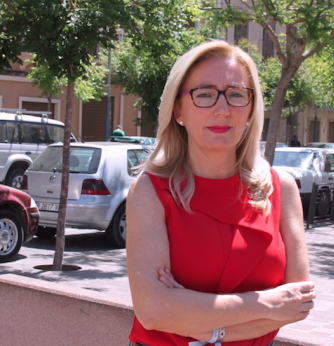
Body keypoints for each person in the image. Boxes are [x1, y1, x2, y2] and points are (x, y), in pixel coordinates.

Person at [126, 40, 314, 346]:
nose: (222, 110)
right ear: (178, 110)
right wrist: (268, 303)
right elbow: (153, 310)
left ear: (251, 109)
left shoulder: (282, 190)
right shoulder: (150, 192)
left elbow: (298, 303)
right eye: (204, 95)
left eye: (237, 95)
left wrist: (205, 325)